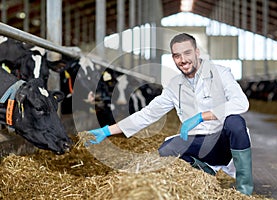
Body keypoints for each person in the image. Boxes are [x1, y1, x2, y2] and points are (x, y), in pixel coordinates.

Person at [87, 33, 253, 195]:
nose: (183, 60)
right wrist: (107, 130)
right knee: (166, 150)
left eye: (187, 53)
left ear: (197, 52)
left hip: (224, 141)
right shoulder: (174, 86)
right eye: (176, 56)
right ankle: (206, 171)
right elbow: (147, 114)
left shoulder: (221, 73)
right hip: (197, 141)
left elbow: (241, 103)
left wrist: (202, 116)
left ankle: (244, 189)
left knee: (236, 122)